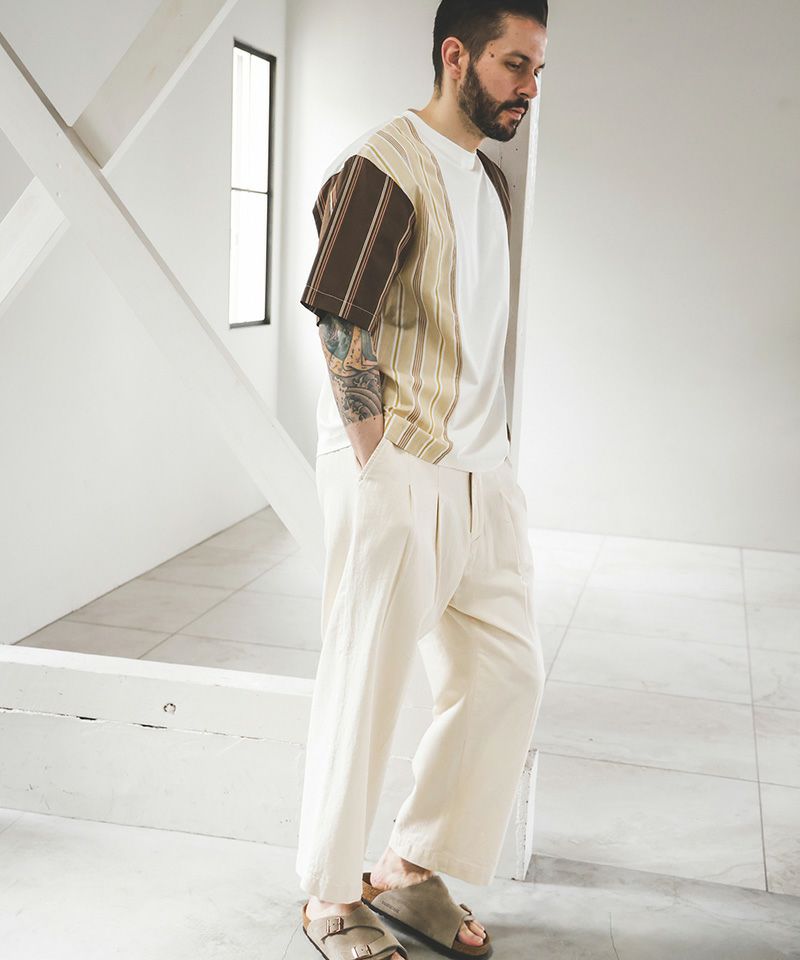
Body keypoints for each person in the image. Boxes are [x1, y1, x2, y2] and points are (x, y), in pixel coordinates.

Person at [296, 2, 548, 957]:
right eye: (515, 64)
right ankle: (329, 897)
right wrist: (378, 464)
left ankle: (407, 865)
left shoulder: (490, 180)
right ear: (457, 56)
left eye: (537, 68)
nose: (529, 87)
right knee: (365, 682)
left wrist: (496, 458)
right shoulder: (381, 167)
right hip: (400, 465)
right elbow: (339, 317)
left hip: (486, 473)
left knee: (506, 675)